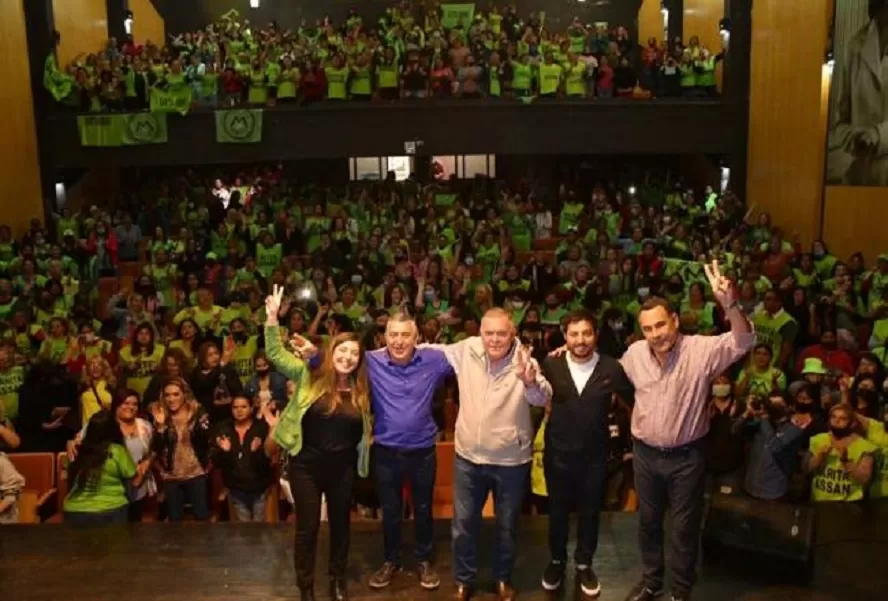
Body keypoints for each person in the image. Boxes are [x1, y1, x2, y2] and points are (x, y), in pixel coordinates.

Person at [620, 262, 755, 601]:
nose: (656, 334)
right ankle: (652, 581)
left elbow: (744, 339)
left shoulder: (701, 350)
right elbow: (605, 373)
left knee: (683, 528)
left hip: (686, 457)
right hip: (646, 456)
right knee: (648, 523)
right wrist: (567, 357)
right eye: (648, 328)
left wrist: (729, 303)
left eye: (661, 325)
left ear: (675, 321)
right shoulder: (635, 353)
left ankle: (680, 590)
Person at [427, 307, 551, 601]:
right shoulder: (467, 349)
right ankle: (463, 579)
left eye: (501, 333)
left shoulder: (525, 361)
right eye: (488, 333)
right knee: (463, 525)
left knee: (507, 527)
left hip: (511, 461)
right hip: (468, 458)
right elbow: (429, 350)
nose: (494, 339)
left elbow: (543, 396)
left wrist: (530, 380)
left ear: (513, 334)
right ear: (479, 333)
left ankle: (502, 579)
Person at [263, 285, 373, 601]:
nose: (348, 357)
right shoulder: (307, 376)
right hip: (306, 466)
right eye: (342, 351)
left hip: (342, 470)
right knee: (307, 530)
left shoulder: (362, 389)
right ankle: (306, 588)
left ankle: (337, 581)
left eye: (354, 353)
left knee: (341, 528)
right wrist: (272, 319)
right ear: (331, 352)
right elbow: (274, 354)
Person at [539, 310, 633, 596]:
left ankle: (584, 564)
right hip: (557, 456)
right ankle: (556, 561)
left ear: (595, 335)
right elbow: (535, 399)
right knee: (556, 514)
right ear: (565, 336)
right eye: (574, 334)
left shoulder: (612, 368)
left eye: (586, 333)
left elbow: (633, 403)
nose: (580, 340)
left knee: (590, 514)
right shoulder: (551, 364)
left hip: (594, 458)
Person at [364, 311, 454, 592]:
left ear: (417, 338)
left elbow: (474, 354)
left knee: (424, 508)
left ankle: (424, 560)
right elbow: (335, 361)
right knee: (390, 511)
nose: (399, 341)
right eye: (393, 334)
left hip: (423, 452)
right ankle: (390, 560)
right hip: (386, 452)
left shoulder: (435, 360)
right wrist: (313, 356)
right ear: (384, 336)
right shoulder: (371, 361)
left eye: (405, 335)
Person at [63, 409, 140, 525]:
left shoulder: (77, 450)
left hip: (74, 511)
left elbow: (66, 472)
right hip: (110, 509)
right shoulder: (116, 451)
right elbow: (133, 476)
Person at [212, 396, 274, 522]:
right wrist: (225, 451)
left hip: (259, 489)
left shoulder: (261, 428)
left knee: (260, 528)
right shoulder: (224, 429)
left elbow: (268, 461)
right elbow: (217, 462)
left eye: (243, 407)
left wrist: (256, 452)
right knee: (244, 530)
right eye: (235, 407)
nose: (239, 410)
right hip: (236, 489)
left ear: (251, 408)